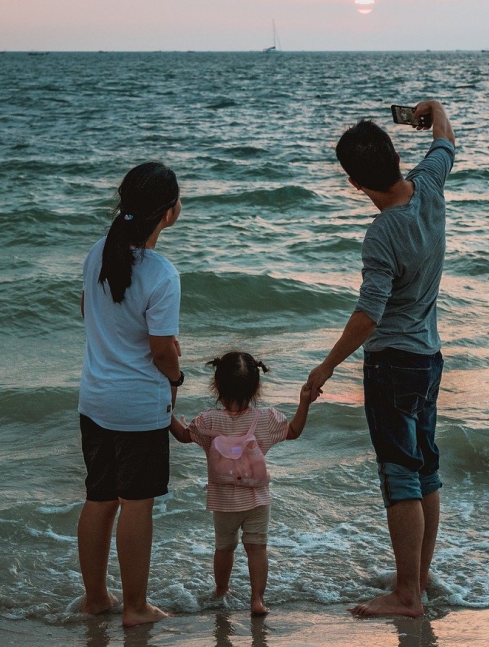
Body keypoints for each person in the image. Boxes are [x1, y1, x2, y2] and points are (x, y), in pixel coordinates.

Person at [304, 99, 456, 618]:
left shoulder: (382, 233)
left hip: (392, 362)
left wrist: (325, 367)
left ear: (353, 182)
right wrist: (427, 108)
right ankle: (417, 576)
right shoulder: (430, 186)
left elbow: (370, 313)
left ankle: (407, 594)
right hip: (429, 357)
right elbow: (444, 137)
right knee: (425, 469)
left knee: (400, 475)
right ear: (395, 155)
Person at [77, 161, 184, 628]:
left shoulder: (97, 252)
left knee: (100, 499)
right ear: (168, 213)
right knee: (136, 504)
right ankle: (136, 608)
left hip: (95, 399)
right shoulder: (161, 273)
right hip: (138, 406)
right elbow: (162, 352)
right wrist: (177, 379)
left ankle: (97, 598)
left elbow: (87, 311)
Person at [169, 352, 313, 616]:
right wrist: (304, 402)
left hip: (224, 502)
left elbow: (182, 436)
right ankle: (257, 600)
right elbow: (294, 431)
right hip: (257, 500)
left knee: (224, 547)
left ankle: (221, 591)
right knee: (257, 548)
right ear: (256, 387)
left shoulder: (209, 420)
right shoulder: (266, 419)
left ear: (217, 385)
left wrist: (168, 414)